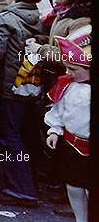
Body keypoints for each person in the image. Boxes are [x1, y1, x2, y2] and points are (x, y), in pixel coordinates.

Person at [0, 0, 45, 207]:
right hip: (32, 85)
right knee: (27, 134)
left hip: (12, 85)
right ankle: (29, 183)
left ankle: (20, 189)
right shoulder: (38, 19)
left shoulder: (7, 19)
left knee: (11, 135)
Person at [44, 26, 91, 222]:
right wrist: (54, 130)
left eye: (73, 68)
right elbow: (59, 111)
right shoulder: (67, 85)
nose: (67, 72)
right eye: (67, 67)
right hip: (72, 145)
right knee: (73, 185)